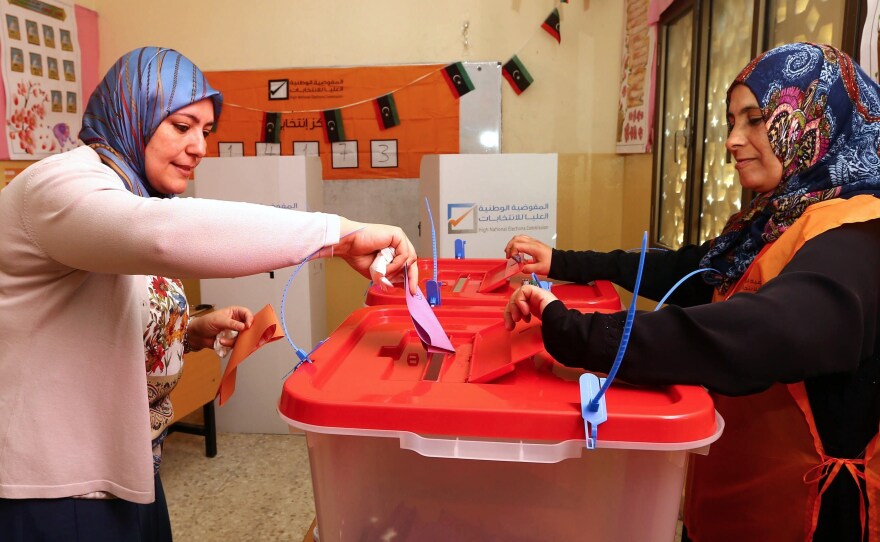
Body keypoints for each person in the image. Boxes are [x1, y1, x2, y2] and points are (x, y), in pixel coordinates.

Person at [0, 46, 417, 541]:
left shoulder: (128, 194)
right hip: (53, 485)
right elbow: (162, 237)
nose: (199, 145)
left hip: (126, 464)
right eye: (181, 126)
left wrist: (193, 332)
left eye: (205, 131)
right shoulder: (61, 184)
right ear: (131, 114)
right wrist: (340, 234)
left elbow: (101, 314)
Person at [503, 43, 880, 542]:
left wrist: (576, 331)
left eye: (755, 119)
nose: (732, 140)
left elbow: (759, 332)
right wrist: (565, 263)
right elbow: (690, 269)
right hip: (731, 497)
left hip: (807, 515)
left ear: (813, 117)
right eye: (731, 121)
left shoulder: (858, 236)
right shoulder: (772, 220)